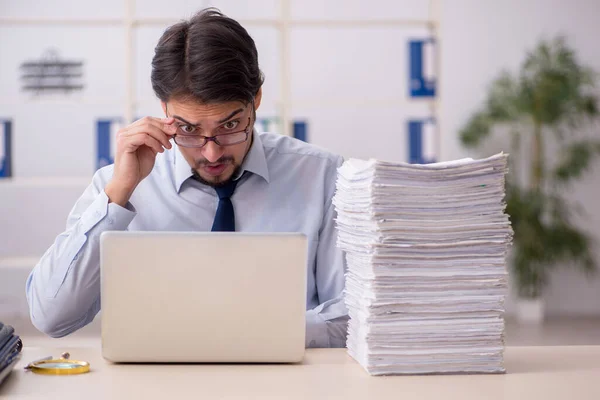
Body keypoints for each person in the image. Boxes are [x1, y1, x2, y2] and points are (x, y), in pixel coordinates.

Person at [25, 9, 348, 348]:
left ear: (256, 100)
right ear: (165, 110)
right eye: (189, 129)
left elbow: (351, 317)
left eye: (229, 126)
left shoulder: (323, 177)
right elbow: (51, 318)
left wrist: (243, 332)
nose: (211, 153)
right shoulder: (122, 185)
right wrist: (118, 194)